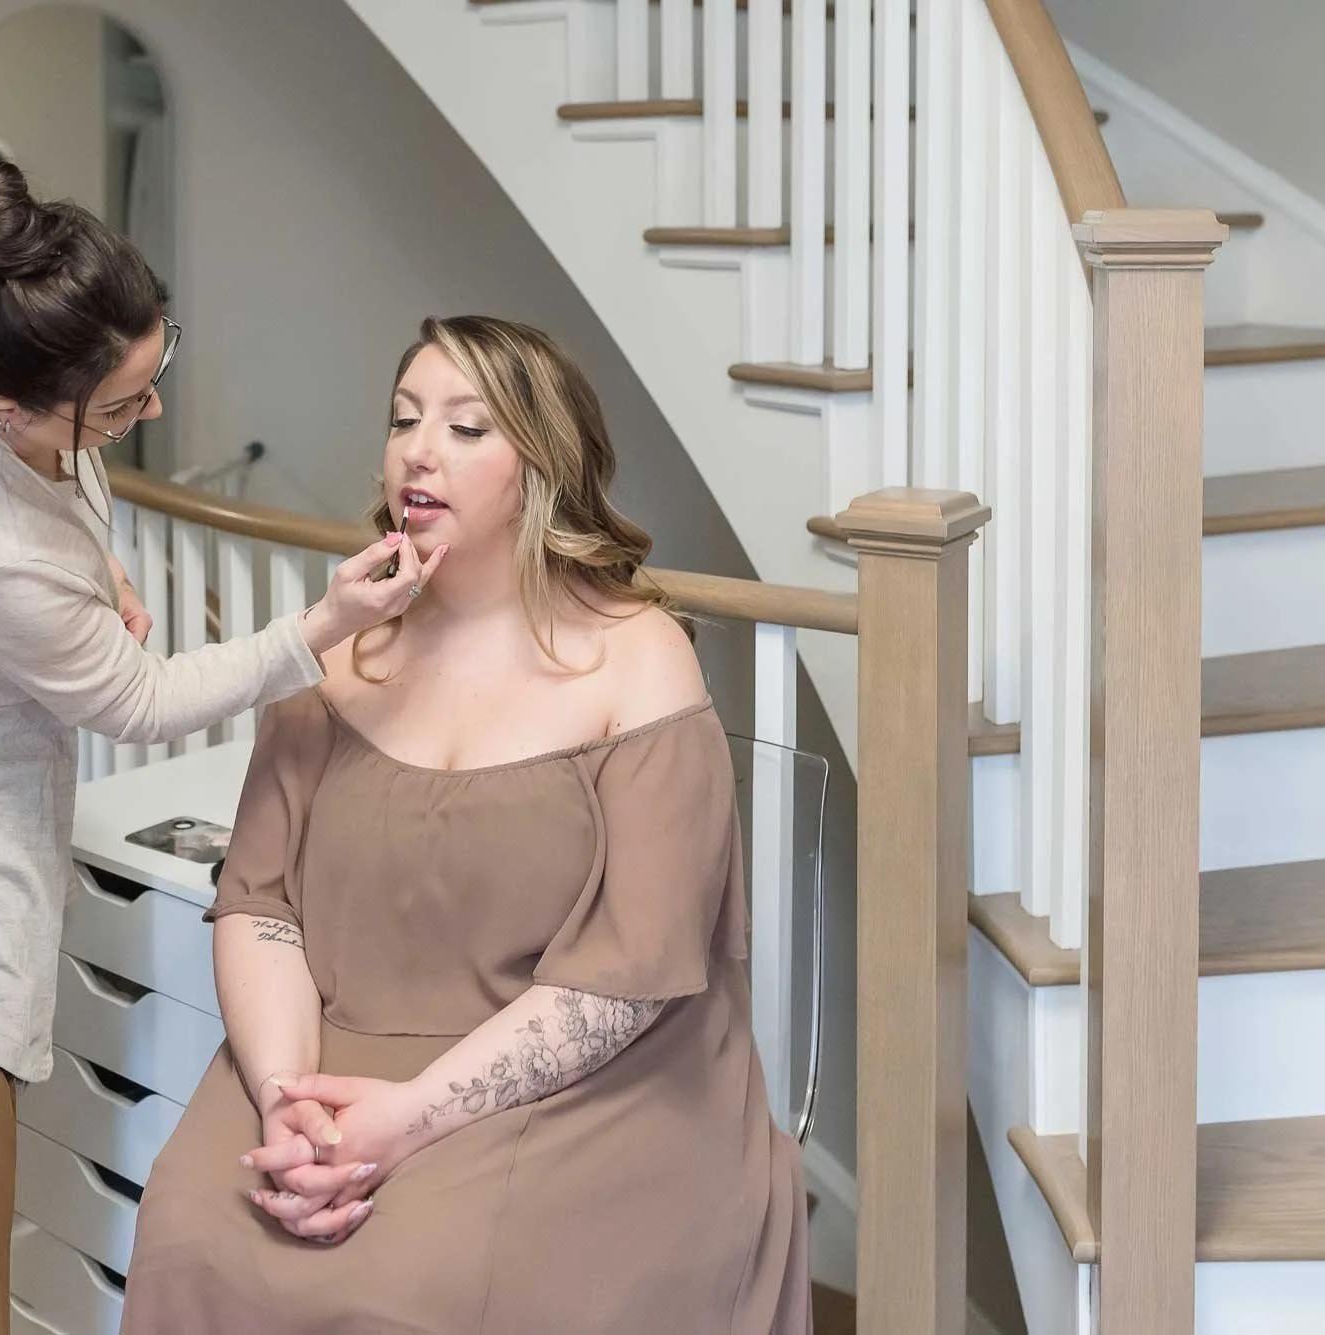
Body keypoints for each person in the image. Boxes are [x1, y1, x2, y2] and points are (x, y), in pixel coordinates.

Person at [0, 163, 442, 1335]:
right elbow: (135, 698)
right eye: (119, 410)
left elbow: (55, 515)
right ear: (4, 410)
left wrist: (97, 566)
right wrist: (319, 628)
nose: (150, 418)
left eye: (153, 370)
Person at [121, 316, 811, 1333]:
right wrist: (286, 1099)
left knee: (414, 1287)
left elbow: (629, 971)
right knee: (188, 1227)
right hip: (326, 1054)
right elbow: (259, 907)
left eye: (465, 427)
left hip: (582, 1078)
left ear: (541, 464)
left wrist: (407, 1119)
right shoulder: (343, 654)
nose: (418, 450)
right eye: (404, 420)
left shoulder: (638, 658)